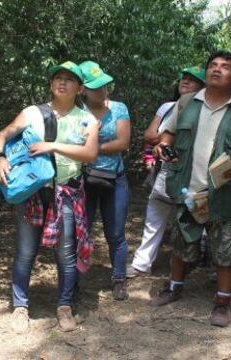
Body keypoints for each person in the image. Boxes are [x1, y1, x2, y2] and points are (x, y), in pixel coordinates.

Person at [151, 51, 231, 328]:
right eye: (212, 65)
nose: (217, 70)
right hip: (188, 190)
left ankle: (222, 303)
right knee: (181, 244)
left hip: (224, 194)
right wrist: (161, 146)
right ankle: (174, 288)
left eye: (225, 67)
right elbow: (167, 134)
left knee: (225, 252)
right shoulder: (187, 103)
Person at [0, 61, 99, 333]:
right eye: (58, 78)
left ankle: (64, 307)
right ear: (51, 84)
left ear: (80, 88)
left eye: (69, 79)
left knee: (65, 254)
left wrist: (52, 145)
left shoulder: (87, 119)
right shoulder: (32, 113)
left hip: (67, 193)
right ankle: (20, 307)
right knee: (25, 252)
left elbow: (90, 154)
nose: (62, 82)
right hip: (35, 193)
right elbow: (2, 134)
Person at [127, 67, 205, 278]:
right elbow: (149, 135)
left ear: (202, 86)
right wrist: (172, 135)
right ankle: (142, 264)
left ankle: (188, 263)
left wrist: (167, 136)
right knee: (154, 217)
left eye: (192, 80)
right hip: (165, 170)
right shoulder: (167, 107)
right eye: (183, 79)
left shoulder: (206, 109)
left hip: (193, 173)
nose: (185, 82)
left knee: (191, 219)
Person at [78, 61, 132, 300]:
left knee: (116, 233)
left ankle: (119, 278)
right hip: (84, 181)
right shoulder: (75, 112)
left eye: (104, 85)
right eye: (96, 87)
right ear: (82, 90)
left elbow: (123, 143)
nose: (102, 91)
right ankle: (74, 281)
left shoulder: (119, 108)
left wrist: (92, 147)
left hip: (114, 179)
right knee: (81, 232)